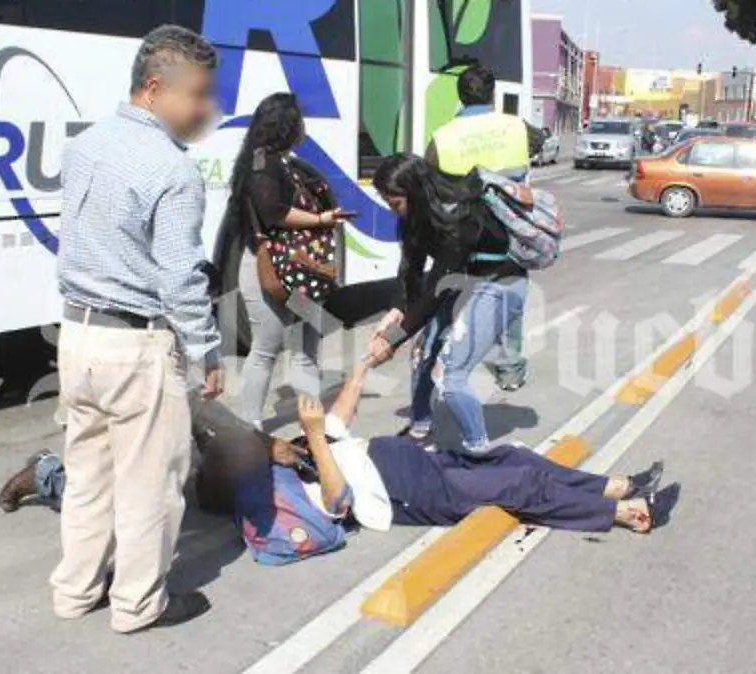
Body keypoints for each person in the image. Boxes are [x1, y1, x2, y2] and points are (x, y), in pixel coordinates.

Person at [0, 364, 673, 567]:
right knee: (154, 481)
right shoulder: (303, 478)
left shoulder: (301, 454)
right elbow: (344, 502)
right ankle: (619, 510)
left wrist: (362, 368)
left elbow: (341, 412)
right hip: (423, 491)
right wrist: (314, 439)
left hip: (424, 467)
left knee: (519, 458)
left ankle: (612, 486)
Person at [52, 25, 221, 634]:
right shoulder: (173, 171)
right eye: (199, 95)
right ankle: (137, 605)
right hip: (136, 344)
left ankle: (75, 590)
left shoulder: (84, 145)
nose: (206, 110)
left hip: (76, 337)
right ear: (155, 88)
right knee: (150, 484)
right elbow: (180, 278)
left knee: (88, 475)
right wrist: (206, 350)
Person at [366, 154, 528, 454]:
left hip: (499, 284)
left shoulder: (461, 215)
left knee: (450, 373)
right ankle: (420, 431)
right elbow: (411, 269)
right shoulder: (415, 217)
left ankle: (478, 452)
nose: (394, 212)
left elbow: (437, 288)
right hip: (461, 283)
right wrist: (396, 310)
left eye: (395, 204)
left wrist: (393, 339)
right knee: (422, 355)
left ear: (414, 193)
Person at [227, 93, 349, 428]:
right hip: (270, 269)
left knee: (307, 347)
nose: (304, 127)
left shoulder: (279, 162)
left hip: (299, 271)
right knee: (267, 347)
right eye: (300, 120)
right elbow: (273, 212)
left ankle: (312, 427)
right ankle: (249, 428)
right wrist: (322, 219)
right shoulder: (262, 162)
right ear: (286, 125)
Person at [415, 65, 536, 397]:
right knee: (511, 295)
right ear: (492, 94)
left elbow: (431, 187)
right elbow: (537, 147)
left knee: (454, 302)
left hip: (463, 239)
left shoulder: (442, 137)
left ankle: (436, 362)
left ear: (460, 95)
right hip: (509, 234)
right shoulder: (516, 128)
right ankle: (509, 370)